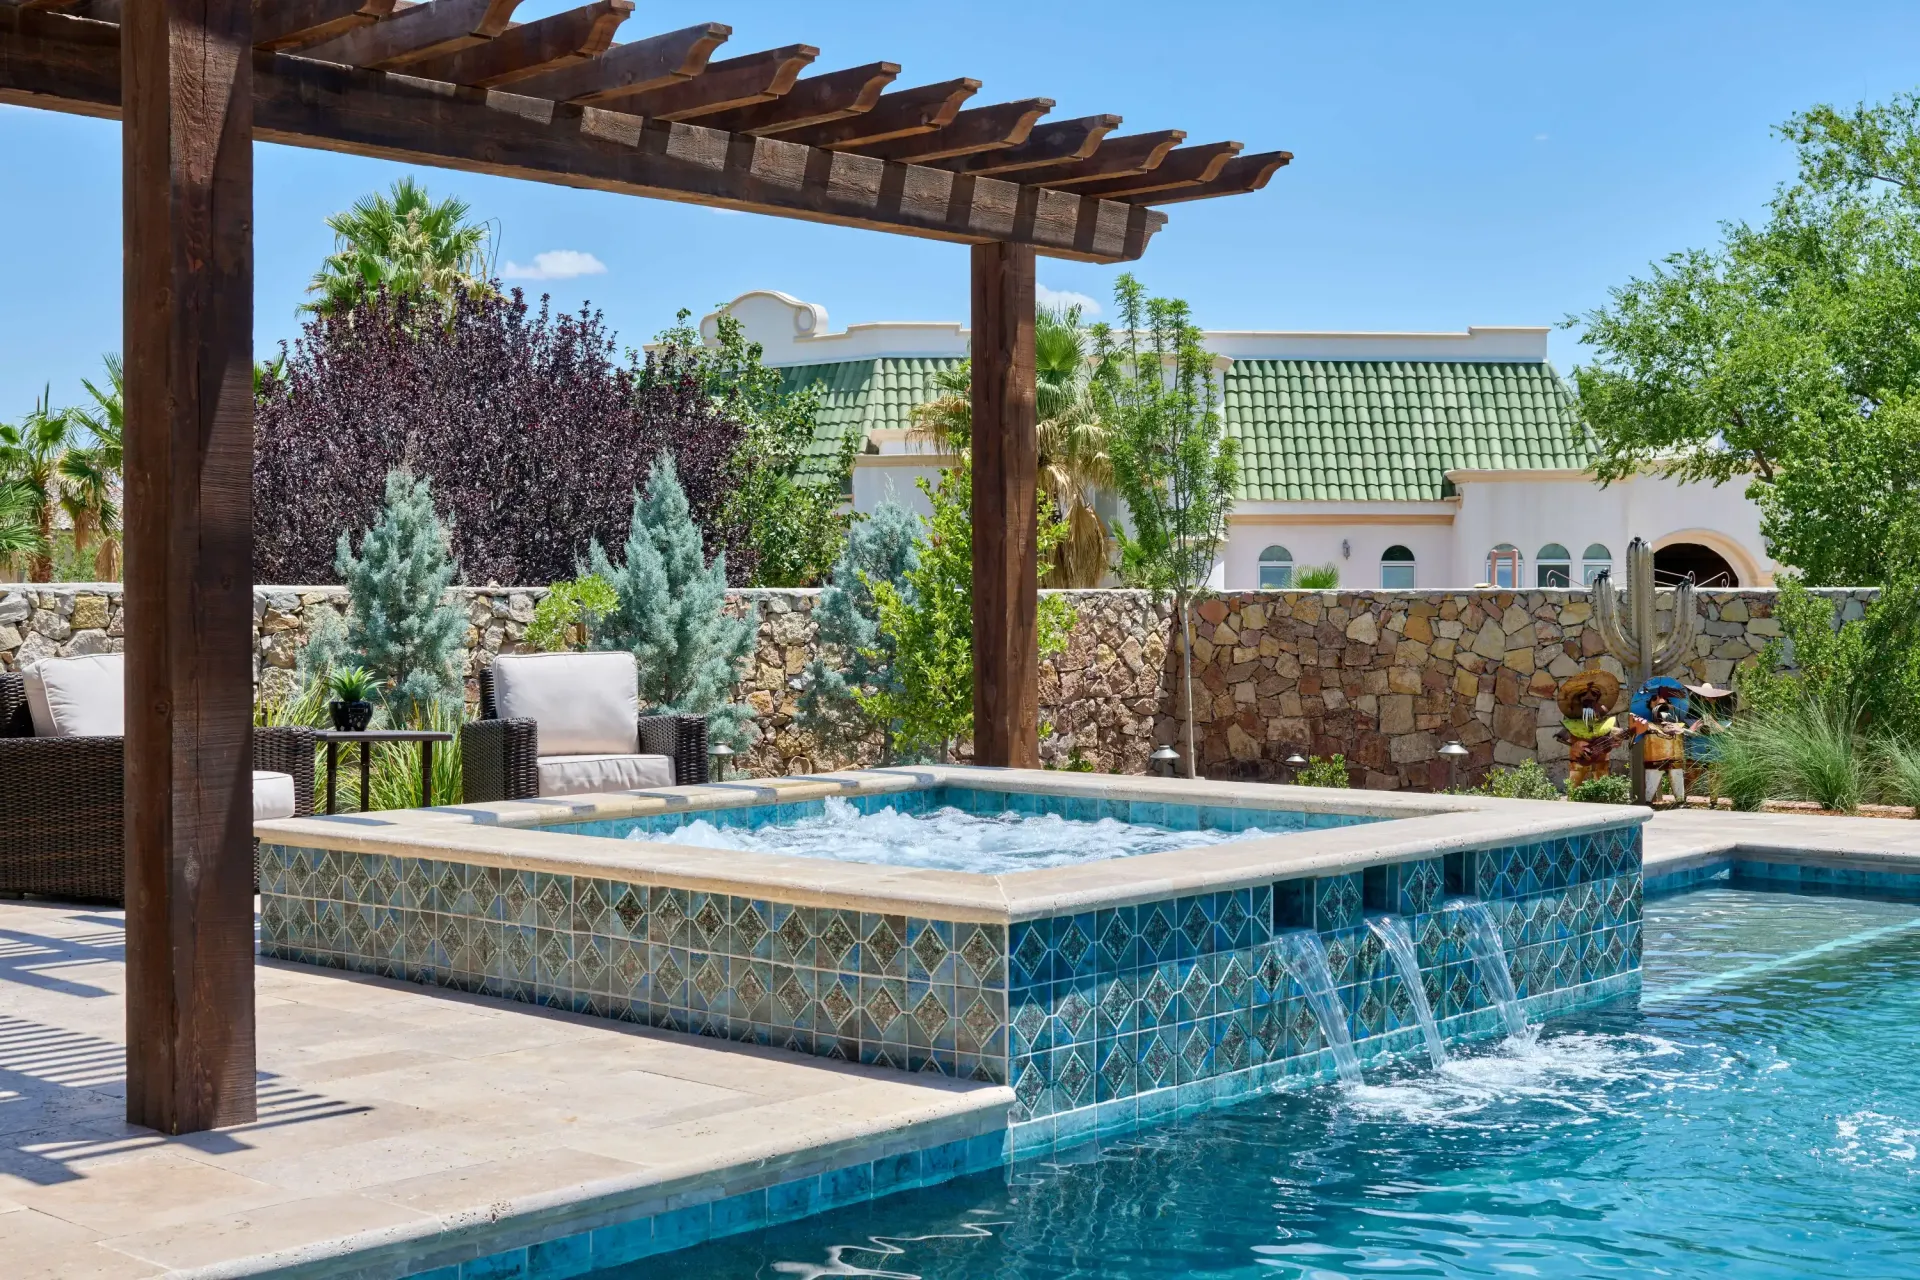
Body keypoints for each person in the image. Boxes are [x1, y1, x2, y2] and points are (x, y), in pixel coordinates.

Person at [1553, 669, 1627, 790]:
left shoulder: (1607, 722)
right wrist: (1575, 745)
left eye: (1594, 694)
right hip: (1578, 760)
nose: (1589, 697)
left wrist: (1617, 738)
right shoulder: (1572, 723)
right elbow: (1560, 737)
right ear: (1578, 699)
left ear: (1598, 698)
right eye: (1584, 694)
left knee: (1603, 788)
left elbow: (1615, 735)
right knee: (1574, 787)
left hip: (1601, 761)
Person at [1631, 677, 1693, 804]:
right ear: (1649, 704)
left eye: (1665, 700)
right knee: (1651, 780)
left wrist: (1681, 729)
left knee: (1677, 776)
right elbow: (1634, 734)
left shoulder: (1679, 725)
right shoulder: (1646, 724)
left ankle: (1680, 801)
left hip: (1675, 758)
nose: (1660, 701)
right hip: (1654, 758)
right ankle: (1648, 801)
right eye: (1655, 699)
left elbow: (1689, 732)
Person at [1684, 682, 1735, 803]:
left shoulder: (1720, 707)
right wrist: (1699, 725)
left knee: (1715, 771)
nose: (1709, 698)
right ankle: (1684, 797)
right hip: (1698, 742)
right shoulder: (1694, 705)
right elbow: (1690, 725)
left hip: (1715, 742)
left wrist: (1714, 723)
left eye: (1712, 696)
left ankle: (1714, 800)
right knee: (1693, 770)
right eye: (1705, 696)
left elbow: (1723, 724)